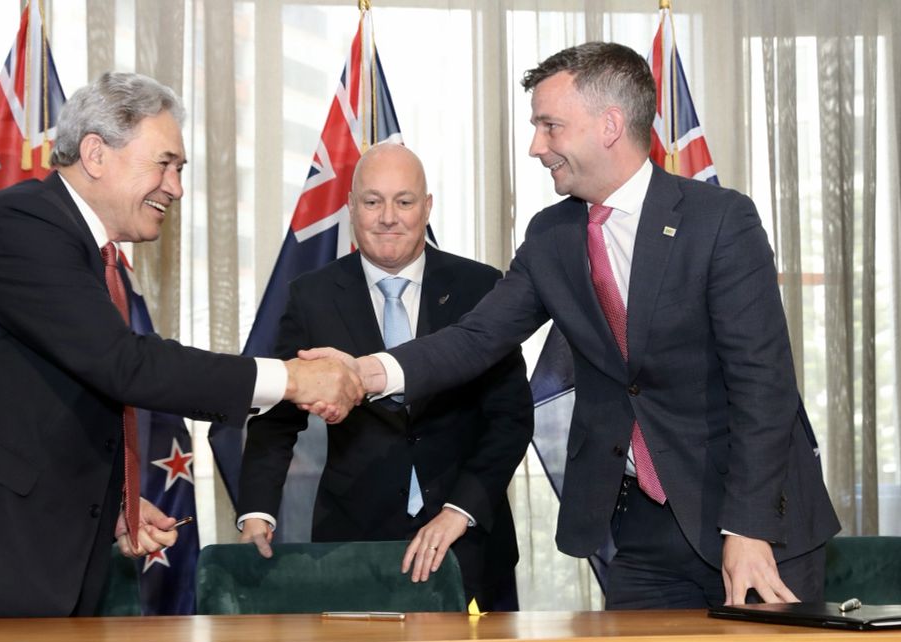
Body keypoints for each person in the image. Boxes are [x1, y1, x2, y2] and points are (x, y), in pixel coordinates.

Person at [306, 43, 840, 609]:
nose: (537, 146)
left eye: (550, 126)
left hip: (755, 527)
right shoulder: (553, 236)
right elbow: (477, 337)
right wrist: (366, 373)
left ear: (610, 125)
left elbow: (764, 385)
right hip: (644, 531)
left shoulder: (719, 222)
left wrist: (748, 528)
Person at [0, 72, 363, 617]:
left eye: (181, 169)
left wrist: (109, 503)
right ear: (95, 153)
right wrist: (291, 379)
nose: (176, 187)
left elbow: (37, 398)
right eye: (165, 163)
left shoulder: (86, 253)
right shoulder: (23, 222)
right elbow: (124, 365)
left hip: (20, 562)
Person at [238, 143, 533, 611]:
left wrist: (461, 510)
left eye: (404, 201)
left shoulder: (481, 288)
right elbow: (276, 415)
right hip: (353, 546)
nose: (388, 217)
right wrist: (256, 511)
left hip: (469, 540)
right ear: (352, 207)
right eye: (373, 201)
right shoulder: (311, 296)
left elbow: (510, 418)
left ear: (427, 207)